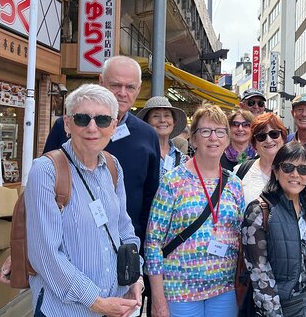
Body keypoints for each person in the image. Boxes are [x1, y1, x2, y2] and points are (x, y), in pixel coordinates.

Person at [34, 55, 160, 316]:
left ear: (112, 127)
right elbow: (45, 247)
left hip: (115, 297)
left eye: (102, 121)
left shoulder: (114, 166)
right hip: (67, 308)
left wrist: (135, 277)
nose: (92, 128)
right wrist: (97, 302)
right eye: (82, 119)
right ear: (67, 124)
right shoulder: (47, 169)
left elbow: (128, 225)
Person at [145, 103, 244, 317]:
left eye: (219, 132)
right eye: (205, 131)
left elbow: (240, 235)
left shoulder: (234, 183)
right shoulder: (173, 181)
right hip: (179, 292)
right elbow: (153, 243)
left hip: (224, 290)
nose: (213, 138)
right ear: (193, 138)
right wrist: (158, 298)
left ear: (227, 139)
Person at [241, 142, 306, 316]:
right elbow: (260, 274)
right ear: (276, 171)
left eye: (303, 169)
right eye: (288, 167)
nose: (295, 174)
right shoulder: (259, 211)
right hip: (282, 308)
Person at [238, 112, 287, 205]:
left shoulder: (299, 170)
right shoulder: (240, 171)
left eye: (274, 134)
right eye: (261, 136)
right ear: (254, 143)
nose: (268, 140)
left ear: (283, 137)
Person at [137, 96, 188, 178]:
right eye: (156, 116)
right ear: (146, 122)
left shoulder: (181, 157)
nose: (162, 120)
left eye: (167, 115)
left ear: (174, 122)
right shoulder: (139, 153)